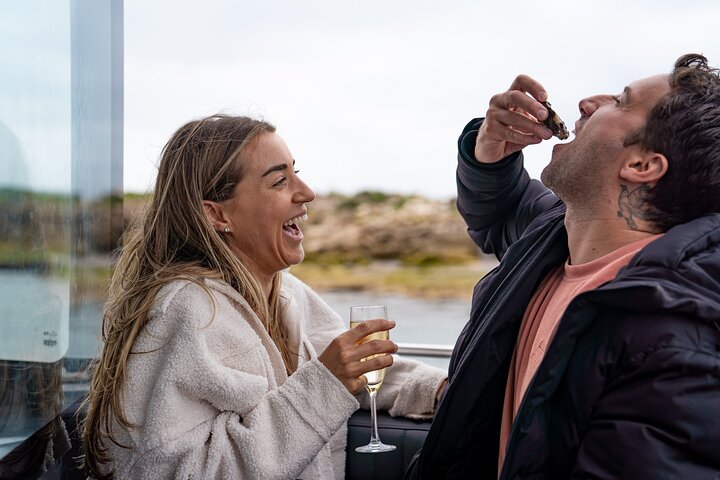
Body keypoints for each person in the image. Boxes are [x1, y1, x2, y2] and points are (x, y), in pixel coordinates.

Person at [80, 114, 447, 480]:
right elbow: (173, 471)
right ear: (216, 214)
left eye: (296, 173)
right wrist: (323, 388)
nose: (306, 193)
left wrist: (439, 389)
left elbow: (349, 365)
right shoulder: (187, 311)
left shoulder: (286, 291)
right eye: (279, 181)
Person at [406, 53, 720, 479]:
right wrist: (490, 153)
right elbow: (502, 211)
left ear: (642, 166)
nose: (588, 103)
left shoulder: (674, 342)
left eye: (621, 101)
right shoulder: (556, 234)